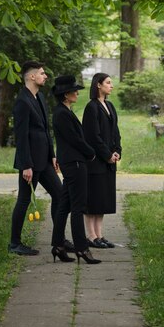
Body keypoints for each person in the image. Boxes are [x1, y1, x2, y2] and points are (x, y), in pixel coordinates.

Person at [8, 60, 63, 255]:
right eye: (42, 73)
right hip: (30, 162)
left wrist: (53, 155)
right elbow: (21, 137)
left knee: (61, 195)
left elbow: (45, 130)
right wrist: (26, 165)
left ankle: (59, 240)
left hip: (45, 160)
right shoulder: (22, 101)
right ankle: (14, 244)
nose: (45, 76)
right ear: (32, 76)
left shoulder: (39, 97)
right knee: (23, 200)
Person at [50, 75, 101, 264]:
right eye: (74, 90)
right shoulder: (62, 114)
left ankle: (58, 245)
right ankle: (82, 248)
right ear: (65, 94)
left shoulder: (63, 111)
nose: (77, 93)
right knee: (78, 207)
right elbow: (74, 139)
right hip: (75, 163)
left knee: (64, 205)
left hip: (70, 162)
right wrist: (91, 153)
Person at [82, 73, 121, 249]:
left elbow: (115, 132)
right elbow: (93, 137)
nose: (111, 86)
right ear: (98, 85)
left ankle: (100, 234)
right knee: (93, 200)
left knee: (103, 199)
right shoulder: (91, 107)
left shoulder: (110, 106)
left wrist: (117, 151)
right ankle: (91, 236)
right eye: (108, 83)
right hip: (96, 161)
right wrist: (107, 155)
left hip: (109, 161)